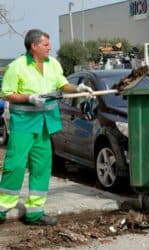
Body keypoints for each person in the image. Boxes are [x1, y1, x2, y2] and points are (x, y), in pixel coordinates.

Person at [0, 29, 93, 226]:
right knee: (15, 165)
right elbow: (7, 94)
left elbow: (62, 85)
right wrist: (29, 98)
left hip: (45, 124)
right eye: (46, 44)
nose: (50, 47)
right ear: (34, 46)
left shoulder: (53, 64)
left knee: (42, 168)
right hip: (24, 124)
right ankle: (1, 209)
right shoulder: (16, 67)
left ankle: (35, 213)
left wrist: (78, 88)